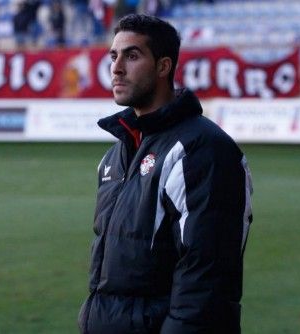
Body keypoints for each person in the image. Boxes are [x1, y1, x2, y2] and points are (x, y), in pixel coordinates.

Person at [78, 14, 253, 334]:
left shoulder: (201, 150)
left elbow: (204, 281)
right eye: (113, 56)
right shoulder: (115, 156)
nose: (116, 68)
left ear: (163, 66)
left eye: (132, 56)